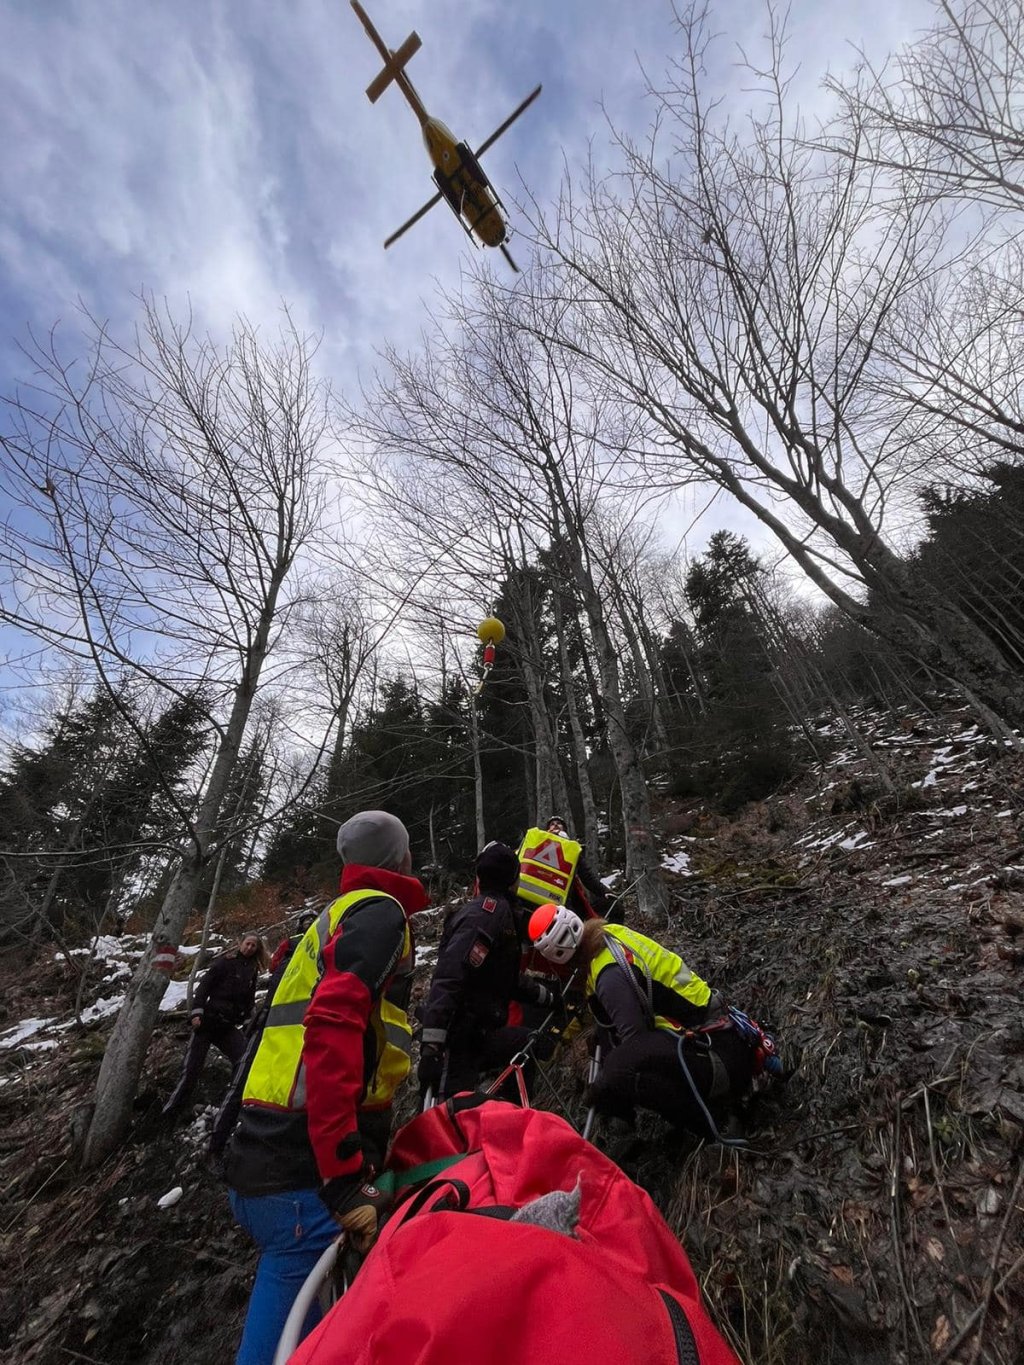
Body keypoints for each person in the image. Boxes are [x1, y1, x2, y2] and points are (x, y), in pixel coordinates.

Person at [223, 811, 428, 1365]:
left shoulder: (333, 917)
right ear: (400, 859)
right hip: (302, 1175)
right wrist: (340, 1175)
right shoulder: (380, 914)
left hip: (264, 1152)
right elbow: (333, 1026)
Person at [527, 906, 759, 1140]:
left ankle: (712, 1124)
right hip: (721, 1038)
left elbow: (636, 1047)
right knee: (606, 1043)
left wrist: (602, 1086)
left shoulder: (609, 976)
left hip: (720, 1060)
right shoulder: (609, 935)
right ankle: (623, 1120)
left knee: (619, 1070)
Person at [417, 843, 557, 1101]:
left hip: (480, 1032)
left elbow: (503, 978)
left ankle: (509, 1115)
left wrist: (546, 996)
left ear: (479, 879)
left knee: (526, 1045)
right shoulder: (486, 916)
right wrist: (432, 1046)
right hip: (458, 1037)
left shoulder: (501, 914)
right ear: (514, 880)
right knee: (449, 1114)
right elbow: (450, 976)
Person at [162, 933, 267, 1117]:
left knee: (244, 1060)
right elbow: (204, 987)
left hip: (227, 1026)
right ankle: (170, 1113)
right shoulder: (225, 963)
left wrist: (248, 1021)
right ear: (240, 943)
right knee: (191, 1071)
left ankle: (231, 1106)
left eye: (253, 946)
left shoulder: (252, 970)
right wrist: (196, 1013)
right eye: (248, 944)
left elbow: (249, 1000)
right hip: (208, 1022)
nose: (250, 948)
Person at [544, 814, 622, 922]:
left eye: (559, 824)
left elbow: (587, 877)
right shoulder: (541, 846)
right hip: (546, 899)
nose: (555, 825)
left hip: (570, 900)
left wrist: (604, 891)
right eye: (552, 824)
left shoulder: (572, 850)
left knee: (616, 907)